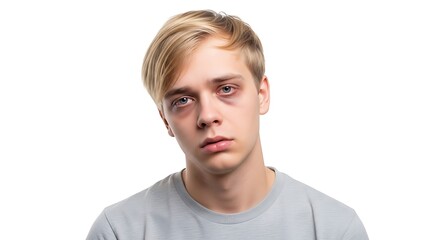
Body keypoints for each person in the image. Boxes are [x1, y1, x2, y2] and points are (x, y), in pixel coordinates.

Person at [86, 9, 369, 240]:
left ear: (262, 95)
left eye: (226, 89)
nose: (207, 116)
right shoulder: (119, 231)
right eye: (183, 100)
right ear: (165, 120)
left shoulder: (334, 229)